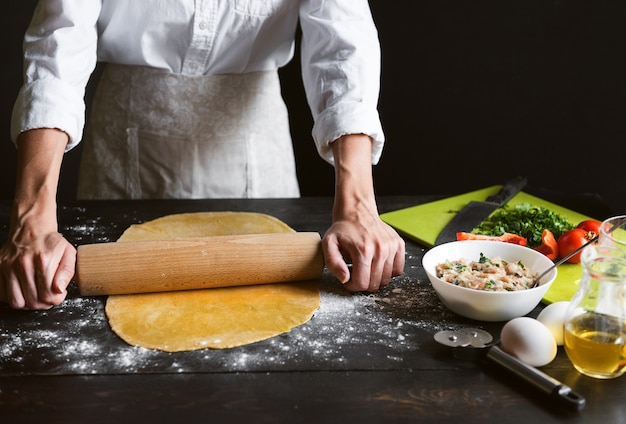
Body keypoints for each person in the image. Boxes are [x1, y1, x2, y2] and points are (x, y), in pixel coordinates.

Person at [0, 0, 405, 310]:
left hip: (253, 138)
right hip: (125, 138)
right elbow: (58, 45)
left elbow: (343, 44)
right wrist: (32, 218)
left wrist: (358, 206)